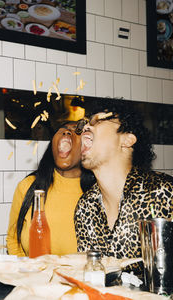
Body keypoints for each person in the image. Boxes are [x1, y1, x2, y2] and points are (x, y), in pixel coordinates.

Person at [74, 98, 173, 275]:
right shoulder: (85, 207)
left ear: (127, 140)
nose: (86, 127)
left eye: (98, 120)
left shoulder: (163, 193)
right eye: (85, 123)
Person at [7, 121, 95, 257]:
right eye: (63, 129)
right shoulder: (29, 187)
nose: (67, 132)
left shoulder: (97, 194)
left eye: (77, 132)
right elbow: (13, 240)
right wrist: (27, 274)